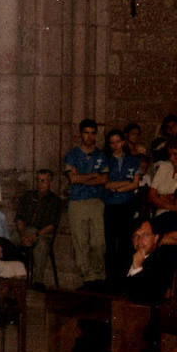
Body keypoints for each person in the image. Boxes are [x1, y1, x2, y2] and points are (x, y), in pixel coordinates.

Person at [63, 118, 108, 289]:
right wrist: (92, 176)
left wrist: (83, 177)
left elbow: (104, 179)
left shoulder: (100, 155)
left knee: (98, 242)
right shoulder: (73, 154)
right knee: (80, 241)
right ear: (81, 134)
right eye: (86, 133)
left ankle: (99, 274)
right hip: (77, 202)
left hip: (96, 201)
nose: (89, 137)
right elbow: (72, 178)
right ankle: (87, 277)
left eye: (92, 133)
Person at [100, 127, 145, 288]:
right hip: (111, 206)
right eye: (112, 142)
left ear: (123, 142)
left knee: (127, 242)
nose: (115, 145)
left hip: (127, 204)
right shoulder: (105, 160)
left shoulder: (133, 160)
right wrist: (122, 185)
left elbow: (135, 183)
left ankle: (125, 279)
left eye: (118, 141)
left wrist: (117, 187)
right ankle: (111, 280)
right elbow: (105, 184)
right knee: (111, 243)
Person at [14, 169, 63, 289]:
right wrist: (22, 234)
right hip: (25, 231)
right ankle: (11, 277)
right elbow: (19, 218)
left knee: (42, 245)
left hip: (42, 233)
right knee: (9, 239)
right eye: (38, 181)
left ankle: (37, 281)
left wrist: (34, 236)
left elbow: (51, 225)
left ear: (50, 183)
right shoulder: (28, 196)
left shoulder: (55, 201)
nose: (40, 184)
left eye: (43, 181)